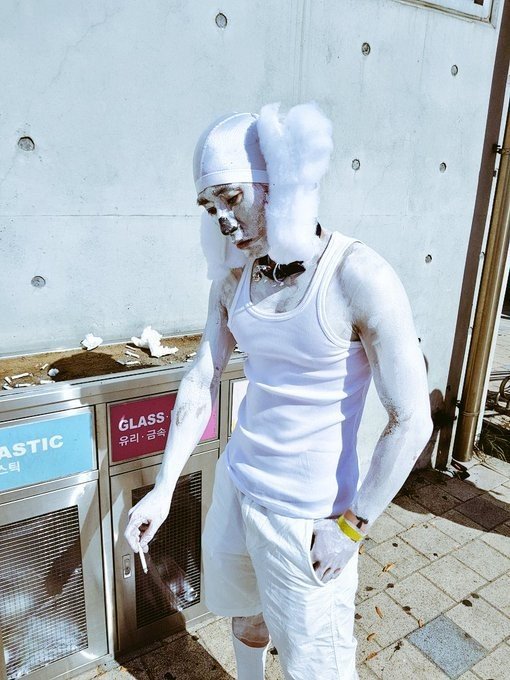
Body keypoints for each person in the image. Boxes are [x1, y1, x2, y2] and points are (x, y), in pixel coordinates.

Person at [125, 103, 432, 680]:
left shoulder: (357, 274)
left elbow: (412, 419)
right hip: (238, 484)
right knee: (244, 618)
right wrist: (164, 488)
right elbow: (200, 380)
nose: (223, 219)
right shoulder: (233, 280)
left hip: (310, 514)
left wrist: (353, 527)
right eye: (210, 206)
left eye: (231, 197)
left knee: (315, 667)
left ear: (281, 182)